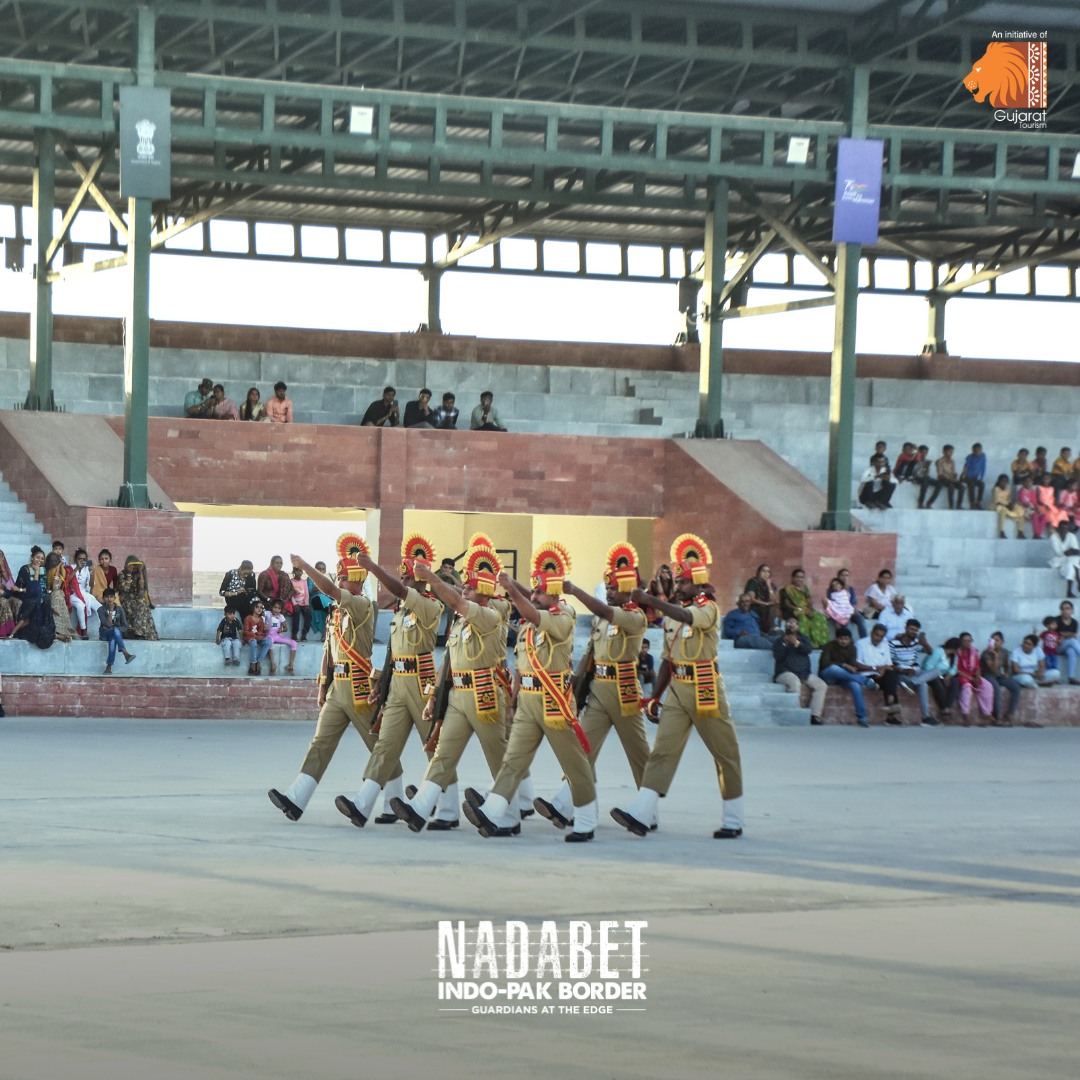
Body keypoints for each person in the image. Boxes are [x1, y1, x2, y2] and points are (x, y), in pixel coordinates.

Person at [611, 534, 744, 840]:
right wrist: (654, 697)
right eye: (679, 582)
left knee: (725, 753)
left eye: (684, 583)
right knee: (662, 752)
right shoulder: (673, 610)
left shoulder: (707, 606)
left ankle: (733, 820)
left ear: (698, 583)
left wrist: (649, 600)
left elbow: (687, 617)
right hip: (678, 688)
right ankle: (642, 814)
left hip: (706, 686)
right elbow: (667, 661)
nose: (679, 587)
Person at [462, 543, 597, 843]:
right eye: (531, 592)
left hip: (554, 701)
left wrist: (511, 588)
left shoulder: (565, 614)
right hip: (527, 702)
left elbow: (533, 613)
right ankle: (495, 812)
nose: (533, 596)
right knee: (513, 760)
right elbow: (522, 667)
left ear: (554, 595)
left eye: (538, 593)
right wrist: (513, 702)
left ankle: (587, 818)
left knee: (574, 763)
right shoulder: (529, 623)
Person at [268, 538, 398, 822]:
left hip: (359, 686)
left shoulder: (363, 604)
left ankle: (394, 802)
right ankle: (296, 797)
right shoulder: (337, 614)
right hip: (338, 688)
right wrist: (322, 687)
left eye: (342, 577)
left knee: (377, 744)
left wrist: (304, 566)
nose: (338, 581)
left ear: (355, 580)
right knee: (321, 742)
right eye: (338, 576)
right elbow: (330, 650)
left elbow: (327, 588)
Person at [390, 543, 514, 833]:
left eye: (468, 589)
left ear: (482, 593)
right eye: (463, 589)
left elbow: (458, 604)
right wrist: (435, 696)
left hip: (484, 693)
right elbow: (448, 662)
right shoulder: (459, 623)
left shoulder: (489, 615)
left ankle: (508, 815)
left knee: (498, 756)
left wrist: (433, 579)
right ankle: (421, 808)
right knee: (444, 753)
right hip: (458, 694)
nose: (463, 593)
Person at [335, 536, 451, 829]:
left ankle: (449, 809)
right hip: (397, 682)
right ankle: (363, 803)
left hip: (421, 682)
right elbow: (392, 652)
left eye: (405, 576)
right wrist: (381, 684)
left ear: (418, 581)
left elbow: (398, 589)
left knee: (432, 746)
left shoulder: (429, 605)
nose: (400, 581)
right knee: (386, 745)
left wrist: (373, 568)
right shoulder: (401, 612)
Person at [534, 544, 651, 833]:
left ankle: (648, 808)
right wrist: (575, 687)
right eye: (607, 588)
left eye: (614, 588)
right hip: (598, 690)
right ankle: (566, 802)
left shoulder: (634, 616)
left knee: (639, 755)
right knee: (582, 748)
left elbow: (604, 611)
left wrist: (573, 589)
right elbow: (590, 655)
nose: (609, 592)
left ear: (628, 590)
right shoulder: (603, 618)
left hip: (624, 692)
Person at [772, 616, 828, 725]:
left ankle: (814, 715)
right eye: (789, 623)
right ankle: (795, 714)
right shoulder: (779, 641)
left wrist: (796, 643)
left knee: (821, 685)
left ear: (798, 626)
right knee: (795, 682)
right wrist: (785, 644)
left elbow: (807, 650)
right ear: (785, 626)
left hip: (804, 673)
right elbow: (778, 657)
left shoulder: (804, 639)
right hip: (784, 672)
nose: (791, 625)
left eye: (794, 623)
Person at [818, 627, 874, 726]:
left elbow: (852, 665)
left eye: (846, 639)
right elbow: (825, 663)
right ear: (836, 638)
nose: (844, 641)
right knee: (834, 668)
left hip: (844, 677)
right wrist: (843, 665)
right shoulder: (829, 646)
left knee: (855, 685)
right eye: (841, 639)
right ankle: (863, 680)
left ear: (850, 639)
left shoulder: (852, 648)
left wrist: (848, 667)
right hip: (827, 676)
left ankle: (862, 717)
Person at [889, 619, 941, 725]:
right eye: (911, 629)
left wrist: (925, 643)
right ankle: (926, 717)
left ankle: (913, 683)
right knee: (923, 684)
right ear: (906, 628)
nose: (913, 632)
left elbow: (930, 652)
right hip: (901, 674)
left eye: (915, 630)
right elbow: (890, 664)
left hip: (916, 674)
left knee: (937, 671)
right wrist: (904, 670)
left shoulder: (916, 642)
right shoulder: (893, 643)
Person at [856, 623, 902, 723]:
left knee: (892, 674)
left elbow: (888, 664)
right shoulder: (861, 643)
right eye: (876, 635)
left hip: (882, 675)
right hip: (867, 675)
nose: (878, 638)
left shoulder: (885, 645)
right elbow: (857, 664)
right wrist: (876, 668)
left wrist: (883, 669)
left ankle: (890, 701)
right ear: (872, 633)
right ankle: (891, 714)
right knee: (890, 681)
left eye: (881, 636)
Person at [11, 546, 55, 650]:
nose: (40, 560)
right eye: (37, 558)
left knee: (43, 605)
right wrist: (36, 572)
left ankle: (46, 631)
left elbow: (41, 588)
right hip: (22, 596)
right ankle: (19, 629)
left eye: (42, 558)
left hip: (35, 596)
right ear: (32, 558)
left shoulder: (42, 571)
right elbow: (32, 588)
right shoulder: (25, 569)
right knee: (34, 603)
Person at [779, 567, 830, 648]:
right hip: (792, 611)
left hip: (806, 610)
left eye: (802, 577)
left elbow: (809, 601)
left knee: (821, 618)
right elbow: (787, 604)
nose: (800, 579)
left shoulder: (805, 588)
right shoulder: (786, 589)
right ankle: (808, 643)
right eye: (797, 577)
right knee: (804, 619)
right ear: (792, 578)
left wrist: (809, 610)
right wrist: (800, 609)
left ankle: (821, 642)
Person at [981, 632, 1020, 725]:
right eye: (993, 640)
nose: (995, 642)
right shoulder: (986, 653)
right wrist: (995, 656)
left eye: (997, 640)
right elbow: (993, 669)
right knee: (996, 689)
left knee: (1016, 687)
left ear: (1002, 642)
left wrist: (1007, 674)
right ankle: (998, 716)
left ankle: (1010, 714)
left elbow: (1007, 666)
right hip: (987, 675)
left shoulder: (1005, 652)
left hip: (999, 676)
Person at [955, 631, 994, 724]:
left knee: (987, 686)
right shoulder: (957, 652)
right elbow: (957, 670)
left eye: (970, 641)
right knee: (967, 688)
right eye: (965, 641)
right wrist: (971, 678)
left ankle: (987, 713)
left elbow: (977, 666)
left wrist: (977, 677)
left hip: (973, 676)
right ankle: (965, 714)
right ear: (960, 641)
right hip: (962, 676)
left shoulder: (974, 651)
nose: (968, 643)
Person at [117, 556, 158, 640]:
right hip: (126, 600)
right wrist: (128, 574)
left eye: (136, 565)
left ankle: (140, 633)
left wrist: (141, 574)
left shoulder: (138, 575)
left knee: (142, 603)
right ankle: (138, 632)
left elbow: (141, 592)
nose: (134, 567)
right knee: (139, 604)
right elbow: (126, 589)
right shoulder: (122, 574)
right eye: (132, 565)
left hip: (136, 600)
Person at [97, 588, 135, 673]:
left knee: (113, 638)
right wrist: (110, 611)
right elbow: (106, 623)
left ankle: (109, 667)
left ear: (114, 598)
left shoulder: (120, 610)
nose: (109, 599)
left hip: (114, 634)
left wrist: (115, 628)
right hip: (104, 634)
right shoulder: (100, 610)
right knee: (115, 631)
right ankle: (125, 653)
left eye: (111, 597)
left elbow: (125, 626)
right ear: (103, 598)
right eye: (107, 597)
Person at [44, 552, 75, 643]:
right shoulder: (52, 571)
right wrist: (57, 570)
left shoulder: (59, 569)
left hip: (59, 595)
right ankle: (58, 633)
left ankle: (63, 633)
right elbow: (54, 586)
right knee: (57, 614)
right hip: (55, 596)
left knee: (61, 614)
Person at [69, 547, 99, 639]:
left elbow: (90, 584)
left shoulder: (87, 569)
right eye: (80, 559)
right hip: (73, 593)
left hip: (84, 593)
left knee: (99, 607)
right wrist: (77, 568)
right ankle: (84, 631)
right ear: (75, 559)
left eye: (84, 559)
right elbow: (67, 581)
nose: (82, 561)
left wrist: (91, 573)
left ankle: (105, 628)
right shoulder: (70, 567)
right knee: (80, 606)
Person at [923, 444, 963, 509]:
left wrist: (955, 478)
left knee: (962, 488)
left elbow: (954, 472)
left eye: (951, 452)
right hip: (943, 479)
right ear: (944, 452)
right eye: (949, 451)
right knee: (951, 487)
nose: (951, 453)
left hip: (951, 479)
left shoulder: (952, 461)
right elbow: (940, 474)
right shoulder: (940, 461)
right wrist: (951, 479)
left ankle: (959, 505)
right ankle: (951, 505)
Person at [266, 599, 298, 675]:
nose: (276, 610)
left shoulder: (281, 617)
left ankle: (290, 665)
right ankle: (273, 665)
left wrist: (281, 629)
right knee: (269, 643)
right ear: (271, 607)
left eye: (279, 608)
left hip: (278, 635)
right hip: (269, 635)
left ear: (281, 609)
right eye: (275, 607)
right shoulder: (267, 614)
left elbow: (286, 628)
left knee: (294, 643)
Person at [1048, 521, 1080, 597]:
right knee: (1073, 563)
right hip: (1057, 560)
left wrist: (1070, 552)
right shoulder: (1053, 537)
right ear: (1058, 528)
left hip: (1070, 560)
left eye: (1066, 529)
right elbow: (1058, 552)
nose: (1064, 530)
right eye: (1062, 528)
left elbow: (1076, 551)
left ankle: (1069, 592)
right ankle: (1078, 582)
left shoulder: (1071, 536)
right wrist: (1069, 551)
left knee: (1071, 563)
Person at [1053, 599, 1080, 686]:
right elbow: (1053, 636)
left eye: (1068, 608)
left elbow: (1073, 635)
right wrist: (1066, 635)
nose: (1065, 611)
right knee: (1072, 641)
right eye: (1063, 609)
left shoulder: (1074, 622)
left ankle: (1071, 677)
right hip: (1056, 647)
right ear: (1061, 610)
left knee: (1071, 651)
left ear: (1072, 610)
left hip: (1066, 646)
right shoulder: (1056, 620)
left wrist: (1064, 635)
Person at [991, 474, 1027, 539]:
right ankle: (1002, 531)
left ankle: (1020, 532)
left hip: (1007, 506)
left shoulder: (1008, 489)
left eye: (1005, 482)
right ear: (999, 481)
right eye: (1002, 481)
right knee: (1002, 512)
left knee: (1020, 512)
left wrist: (1011, 504)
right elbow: (997, 501)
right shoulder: (996, 489)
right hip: (998, 506)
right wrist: (1007, 504)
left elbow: (1009, 500)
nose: (1004, 483)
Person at [243, 600, 274, 675]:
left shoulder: (261, 620)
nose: (259, 609)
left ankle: (258, 661)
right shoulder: (248, 618)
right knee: (253, 643)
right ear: (253, 608)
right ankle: (253, 663)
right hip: (250, 637)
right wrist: (255, 636)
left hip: (257, 637)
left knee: (268, 642)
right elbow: (245, 631)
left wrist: (260, 636)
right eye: (257, 607)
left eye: (261, 607)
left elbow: (261, 631)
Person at [960, 442, 987, 510]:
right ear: (973, 451)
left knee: (982, 485)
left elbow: (983, 468)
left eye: (979, 450)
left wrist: (981, 477)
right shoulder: (970, 457)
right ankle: (972, 503)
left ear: (981, 450)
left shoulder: (983, 456)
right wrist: (964, 476)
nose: (977, 452)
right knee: (971, 485)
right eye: (975, 451)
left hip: (976, 477)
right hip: (968, 476)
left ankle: (978, 502)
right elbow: (966, 468)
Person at [0, 548, 20, 638]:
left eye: (1, 557)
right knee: (4, 601)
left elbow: (10, 587)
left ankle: (17, 631)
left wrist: (2, 567)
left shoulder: (4, 570)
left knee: (18, 602)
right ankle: (4, 631)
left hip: (4, 595)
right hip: (3, 597)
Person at [308, 561, 330, 640]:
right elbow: (309, 591)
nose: (321, 571)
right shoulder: (310, 578)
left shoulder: (327, 580)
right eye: (319, 569)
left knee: (331, 611)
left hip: (325, 600)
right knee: (329, 608)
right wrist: (320, 586)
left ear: (325, 570)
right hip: (315, 600)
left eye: (323, 569)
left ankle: (325, 634)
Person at [289, 565, 312, 641]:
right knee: (296, 616)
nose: (299, 572)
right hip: (295, 604)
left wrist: (306, 604)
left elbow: (306, 594)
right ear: (293, 572)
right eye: (297, 570)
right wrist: (295, 604)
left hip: (303, 604)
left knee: (308, 616)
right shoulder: (291, 582)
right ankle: (294, 634)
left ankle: (304, 634)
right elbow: (290, 595)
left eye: (300, 571)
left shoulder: (304, 582)